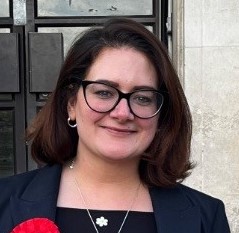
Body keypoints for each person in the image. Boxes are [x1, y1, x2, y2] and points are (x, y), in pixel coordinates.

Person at [0, 18, 230, 233]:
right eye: (103, 92)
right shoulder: (5, 202)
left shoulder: (205, 217)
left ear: (161, 115)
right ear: (71, 104)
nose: (123, 113)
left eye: (142, 97)